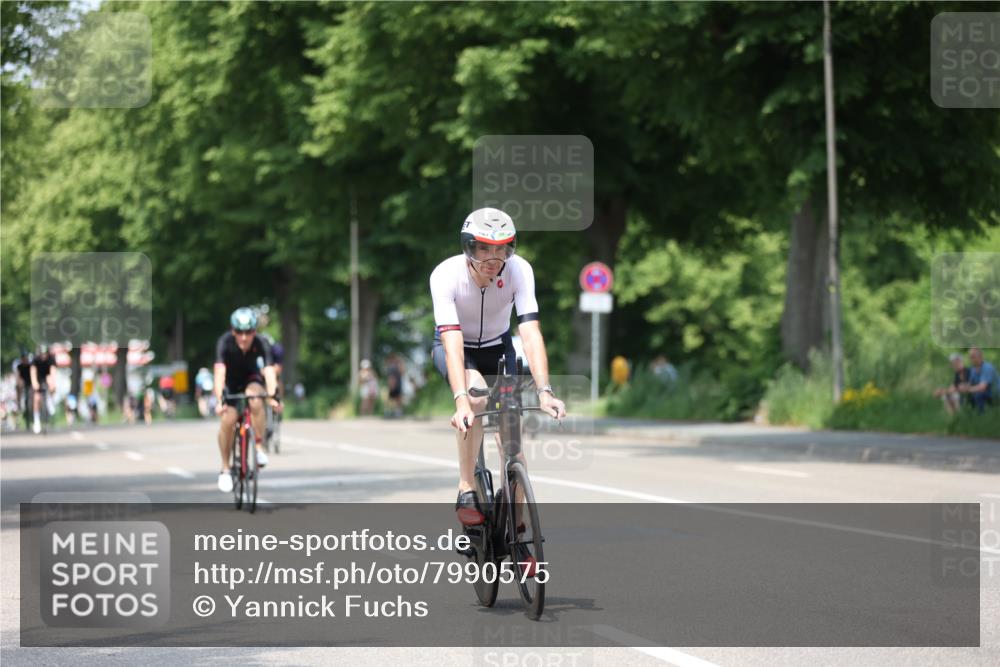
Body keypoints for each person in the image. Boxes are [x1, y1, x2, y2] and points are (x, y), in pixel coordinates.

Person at [429, 207, 566, 525]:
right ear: (468, 246)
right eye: (484, 247)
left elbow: (530, 333)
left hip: (498, 347)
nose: (494, 256)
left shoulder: (519, 270)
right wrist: (461, 401)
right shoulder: (446, 275)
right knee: (476, 397)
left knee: (513, 442)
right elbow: (452, 342)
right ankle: (466, 487)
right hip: (456, 346)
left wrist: (545, 391)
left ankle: (518, 530)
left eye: (502, 247)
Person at [213, 307, 282, 493]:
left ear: (255, 331)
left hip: (251, 378)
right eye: (240, 332)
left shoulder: (261, 343)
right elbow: (219, 372)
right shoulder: (225, 342)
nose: (244, 337)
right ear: (233, 331)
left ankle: (259, 447)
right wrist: (219, 400)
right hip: (230, 383)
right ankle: (225, 468)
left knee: (256, 398)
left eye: (249, 332)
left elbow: (268, 371)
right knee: (228, 419)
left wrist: (273, 395)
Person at [959, 347, 996, 414]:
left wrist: (968, 389)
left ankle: (982, 414)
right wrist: (963, 386)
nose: (971, 359)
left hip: (994, 392)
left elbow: (982, 387)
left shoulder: (987, 367)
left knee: (978, 394)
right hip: (985, 391)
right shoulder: (973, 369)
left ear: (980, 356)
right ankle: (967, 414)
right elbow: (970, 383)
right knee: (964, 396)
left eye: (973, 356)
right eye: (970, 357)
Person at [29, 345, 56, 434]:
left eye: (45, 354)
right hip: (38, 379)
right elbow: (33, 372)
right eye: (42, 354)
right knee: (36, 398)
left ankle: (51, 400)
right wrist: (34, 383)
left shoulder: (51, 359)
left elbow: (53, 372)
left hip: (47, 378)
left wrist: (52, 384)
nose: (44, 355)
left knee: (51, 381)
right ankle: (37, 420)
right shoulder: (35, 359)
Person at [14, 349, 32, 430]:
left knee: (31, 399)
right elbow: (18, 377)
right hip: (22, 385)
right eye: (23, 358)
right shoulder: (19, 367)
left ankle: (31, 417)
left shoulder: (30, 366)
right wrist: (19, 384)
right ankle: (19, 406)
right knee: (18, 390)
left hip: (29, 385)